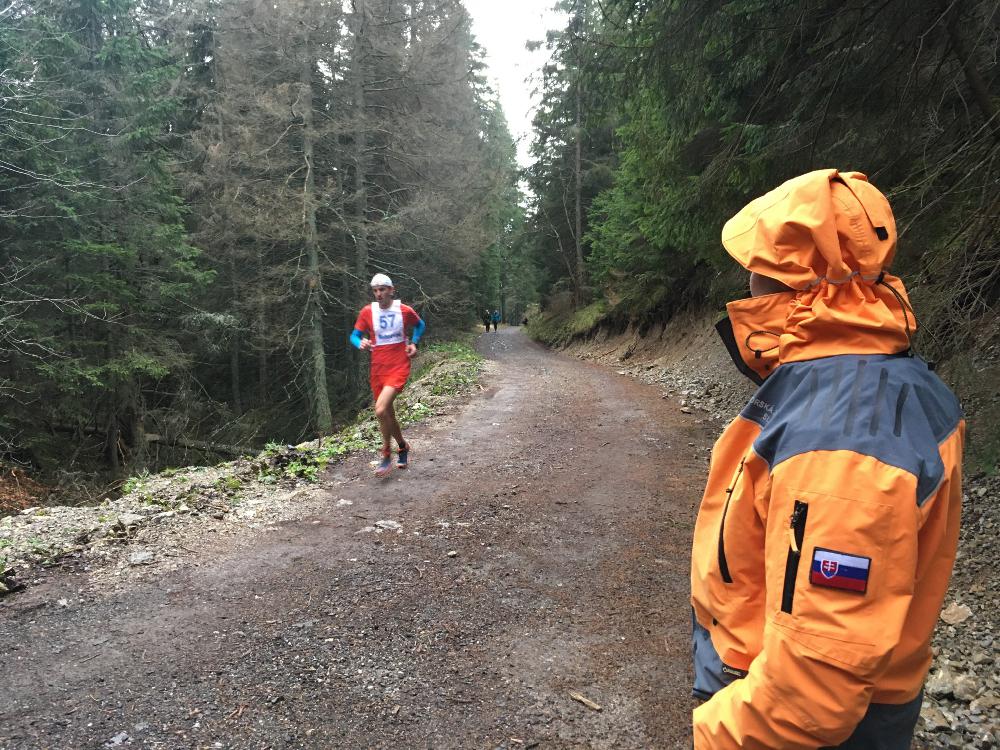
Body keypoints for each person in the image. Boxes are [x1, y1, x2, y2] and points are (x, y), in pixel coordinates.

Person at [690, 170, 964, 749]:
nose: (745, 282)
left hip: (783, 725)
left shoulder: (843, 432)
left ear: (793, 279)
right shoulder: (871, 380)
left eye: (755, 266)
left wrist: (714, 735)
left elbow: (812, 693)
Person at [350, 273, 426, 477]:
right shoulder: (368, 312)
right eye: (375, 290)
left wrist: (414, 343)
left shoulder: (404, 310)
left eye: (382, 289)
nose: (379, 294)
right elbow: (354, 336)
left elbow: (420, 324)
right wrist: (360, 342)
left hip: (398, 365)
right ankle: (402, 446)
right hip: (378, 369)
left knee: (380, 409)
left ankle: (385, 453)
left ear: (391, 290)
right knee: (388, 414)